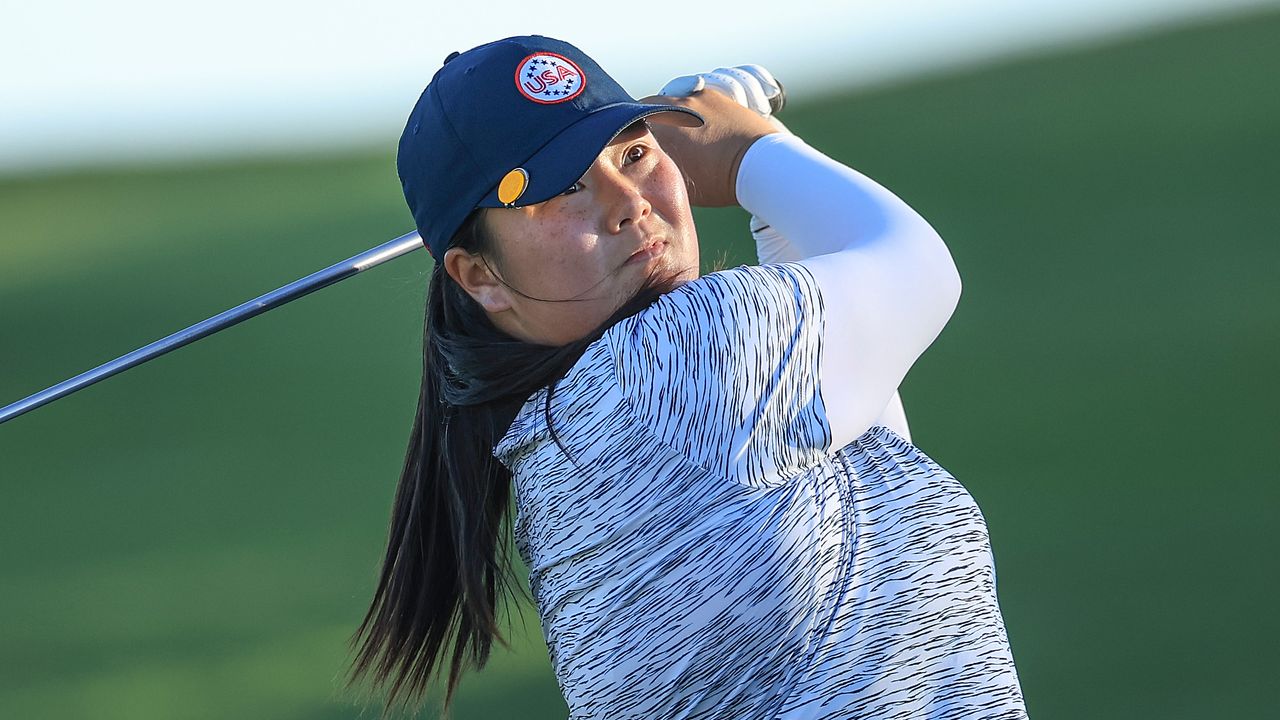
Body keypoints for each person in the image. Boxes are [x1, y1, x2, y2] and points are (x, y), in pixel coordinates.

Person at [351, 35, 1028, 719]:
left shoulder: (561, 447)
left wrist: (778, 220)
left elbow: (867, 469)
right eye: (564, 188)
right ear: (479, 275)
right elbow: (922, 271)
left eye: (635, 152)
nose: (628, 202)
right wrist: (751, 153)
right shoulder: (672, 357)